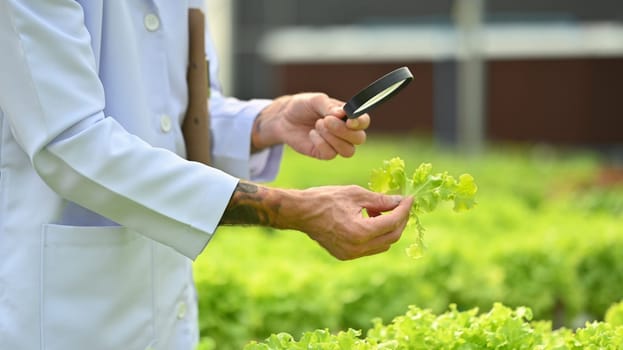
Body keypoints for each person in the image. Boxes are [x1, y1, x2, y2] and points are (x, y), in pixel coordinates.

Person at [0, 1, 413, 349]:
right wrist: (292, 209)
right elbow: (72, 141)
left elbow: (172, 116)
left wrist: (265, 122)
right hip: (63, 314)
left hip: (167, 304)